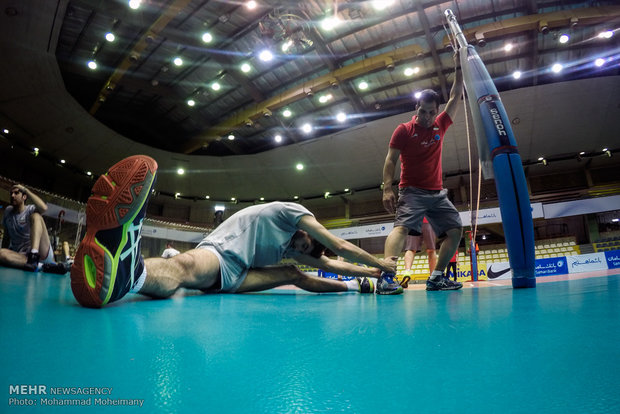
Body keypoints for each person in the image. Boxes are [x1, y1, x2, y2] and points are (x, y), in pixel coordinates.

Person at [70, 155, 397, 308]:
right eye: (307, 242)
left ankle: (355, 288)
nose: (300, 245)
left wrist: (367, 275)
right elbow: (338, 247)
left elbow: (331, 264)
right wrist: (384, 264)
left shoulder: (297, 249)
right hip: (221, 252)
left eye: (304, 247)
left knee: (295, 273)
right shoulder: (296, 214)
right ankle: (131, 274)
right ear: (309, 232)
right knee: (184, 268)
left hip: (240, 273)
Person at [380, 51, 464, 293]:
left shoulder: (441, 124)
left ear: (435, 110)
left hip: (437, 193)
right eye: (423, 111)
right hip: (412, 192)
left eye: (431, 112)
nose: (427, 117)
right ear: (416, 108)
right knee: (402, 228)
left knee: (456, 231)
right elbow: (390, 160)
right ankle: (387, 277)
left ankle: (436, 277)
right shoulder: (404, 130)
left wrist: (458, 65)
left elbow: (456, 94)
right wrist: (387, 188)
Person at [0, 184, 68, 274]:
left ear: (24, 197)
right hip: (23, 257)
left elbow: (44, 208)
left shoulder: (30, 209)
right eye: (11, 193)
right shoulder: (8, 212)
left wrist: (25, 189)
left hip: (41, 251)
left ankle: (34, 254)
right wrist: (4, 257)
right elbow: (6, 236)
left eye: (16, 193)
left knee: (36, 216)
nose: (12, 196)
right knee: (1, 253)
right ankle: (43, 267)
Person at [401, 217, 437, 288]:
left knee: (410, 250)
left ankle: (407, 272)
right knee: (431, 250)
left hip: (413, 221)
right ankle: (433, 278)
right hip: (429, 220)